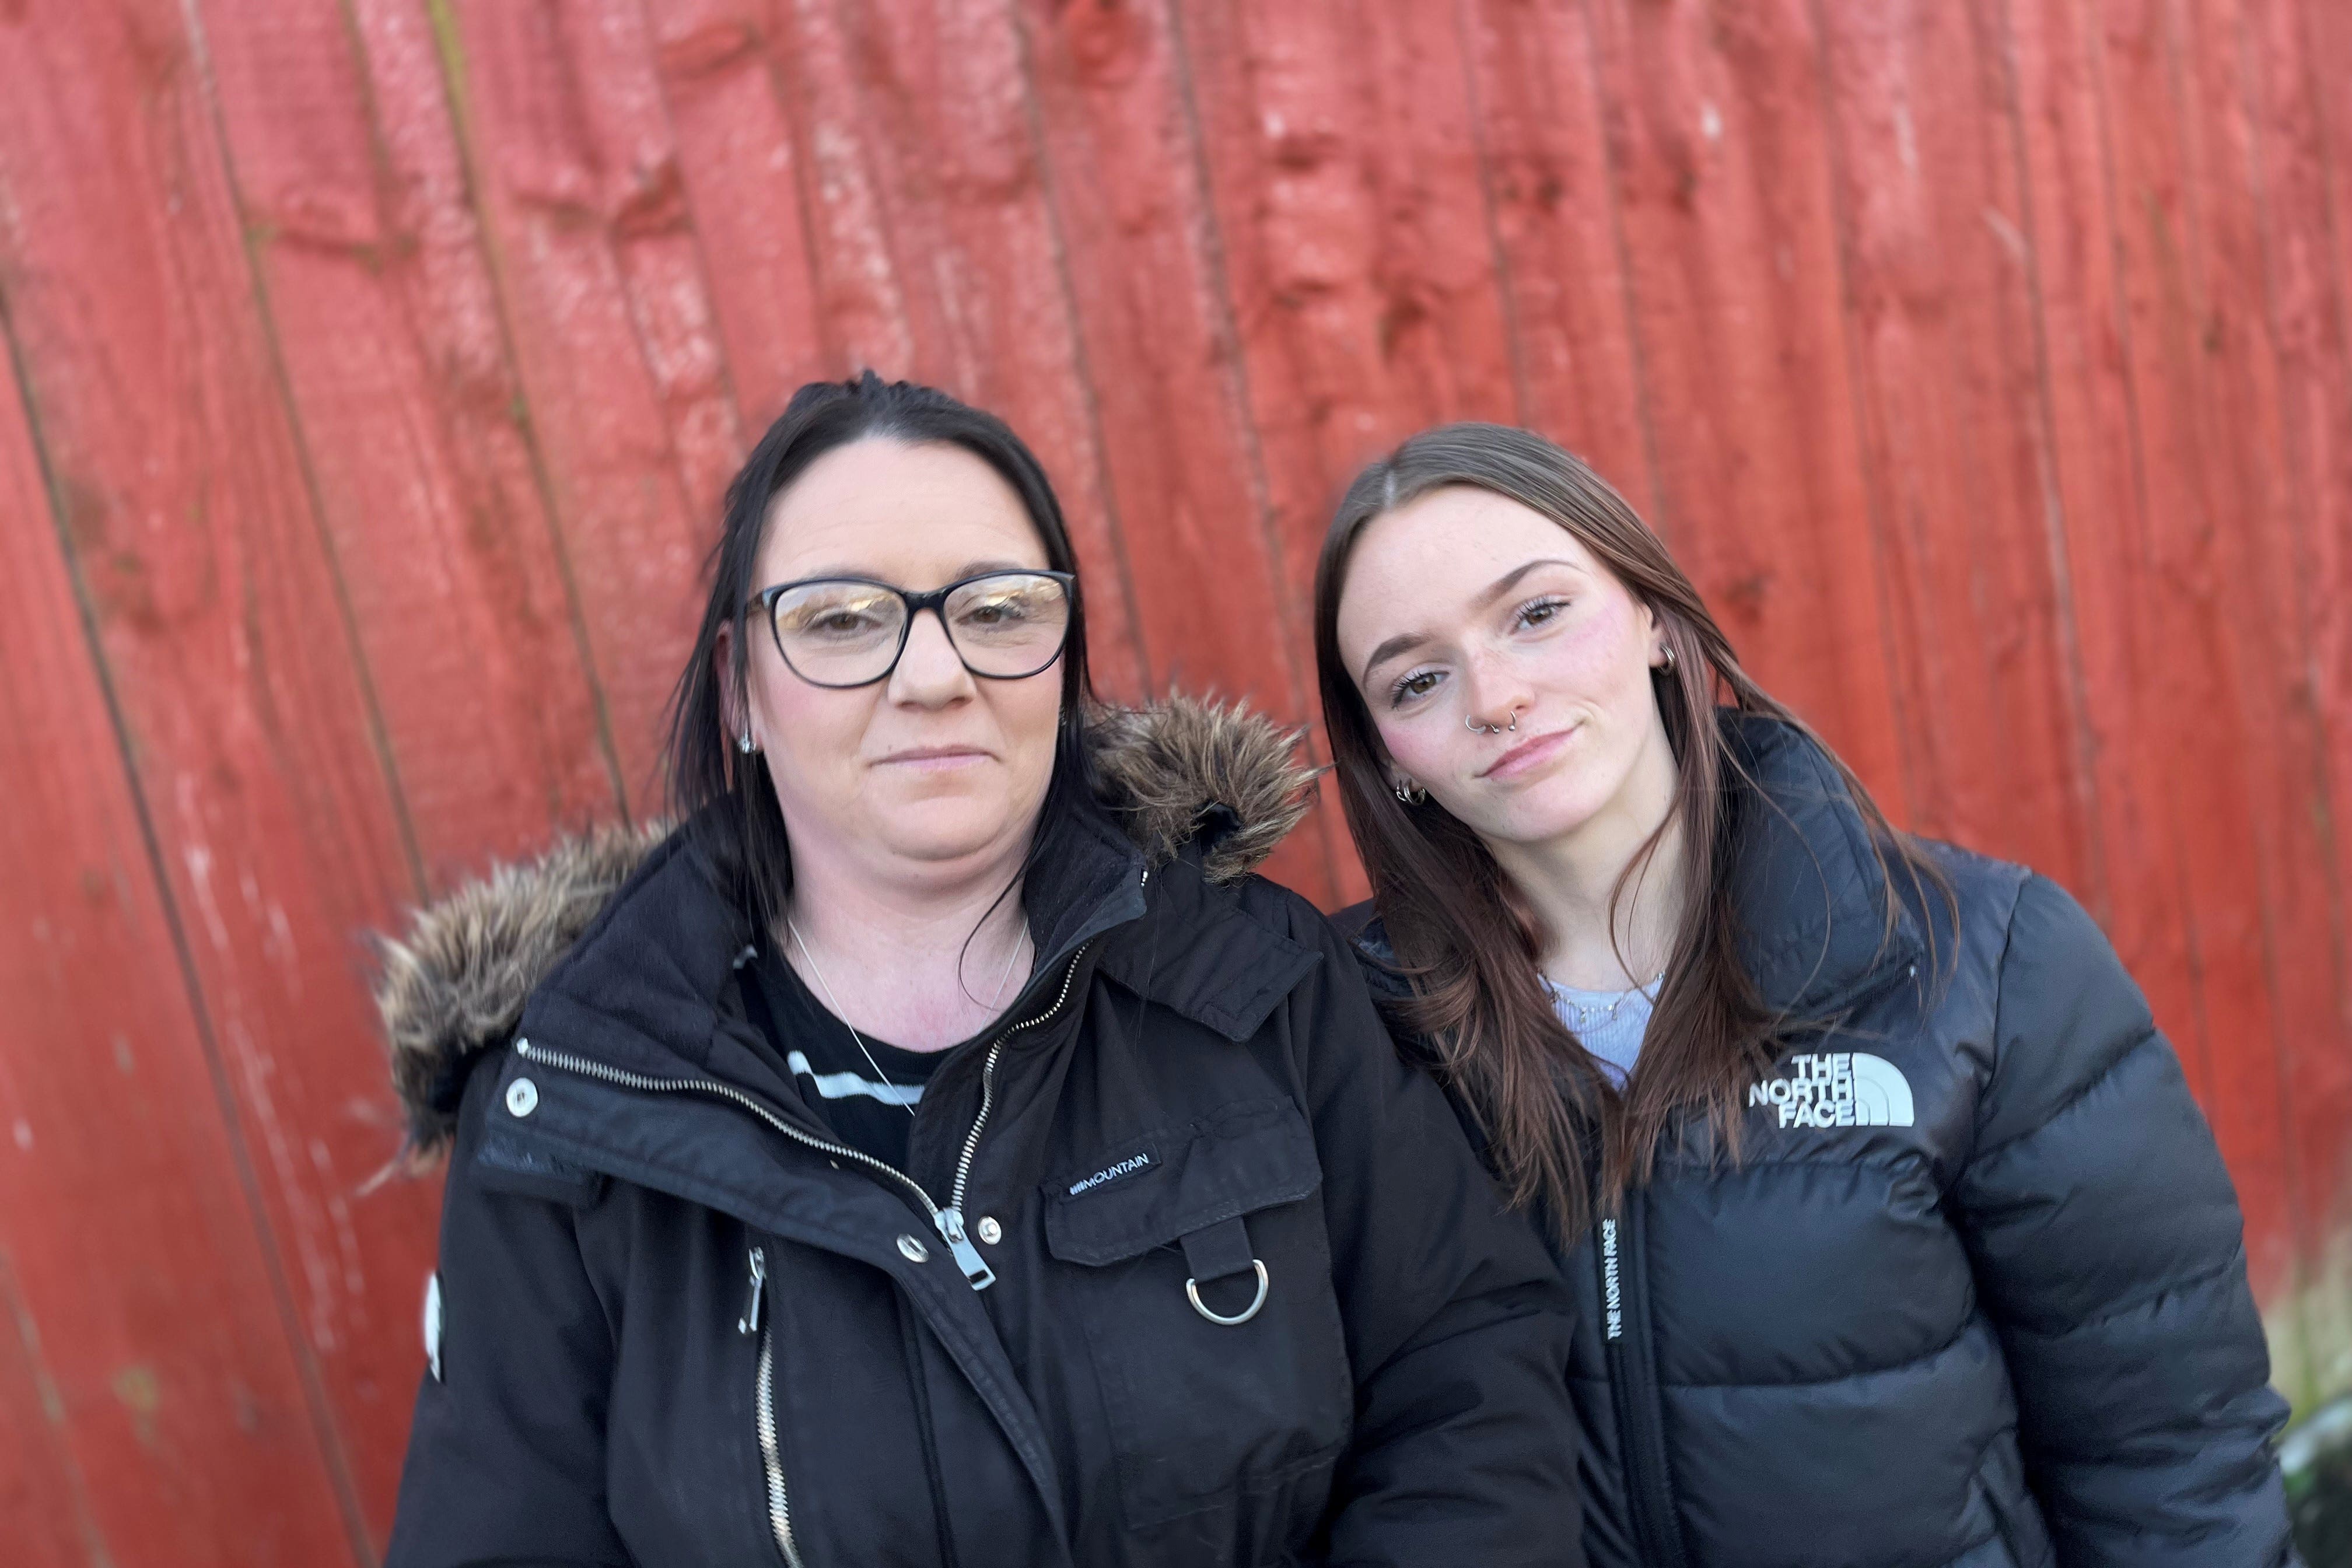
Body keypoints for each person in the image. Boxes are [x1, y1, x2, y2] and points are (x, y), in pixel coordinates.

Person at [375, 376, 1580, 1568]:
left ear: (1062, 666)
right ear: (742, 689)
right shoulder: (573, 1111)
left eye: (998, 609)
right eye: (842, 620)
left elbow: (1466, 1390)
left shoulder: (1255, 985)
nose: (935, 672)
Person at [1313, 422, 2300, 1568]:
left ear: (1656, 624)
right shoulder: (1346, 1033)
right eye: (1419, 678)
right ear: (1386, 754)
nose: (1496, 696)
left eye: (1537, 614)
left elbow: (2170, 1456)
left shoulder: (1983, 964)